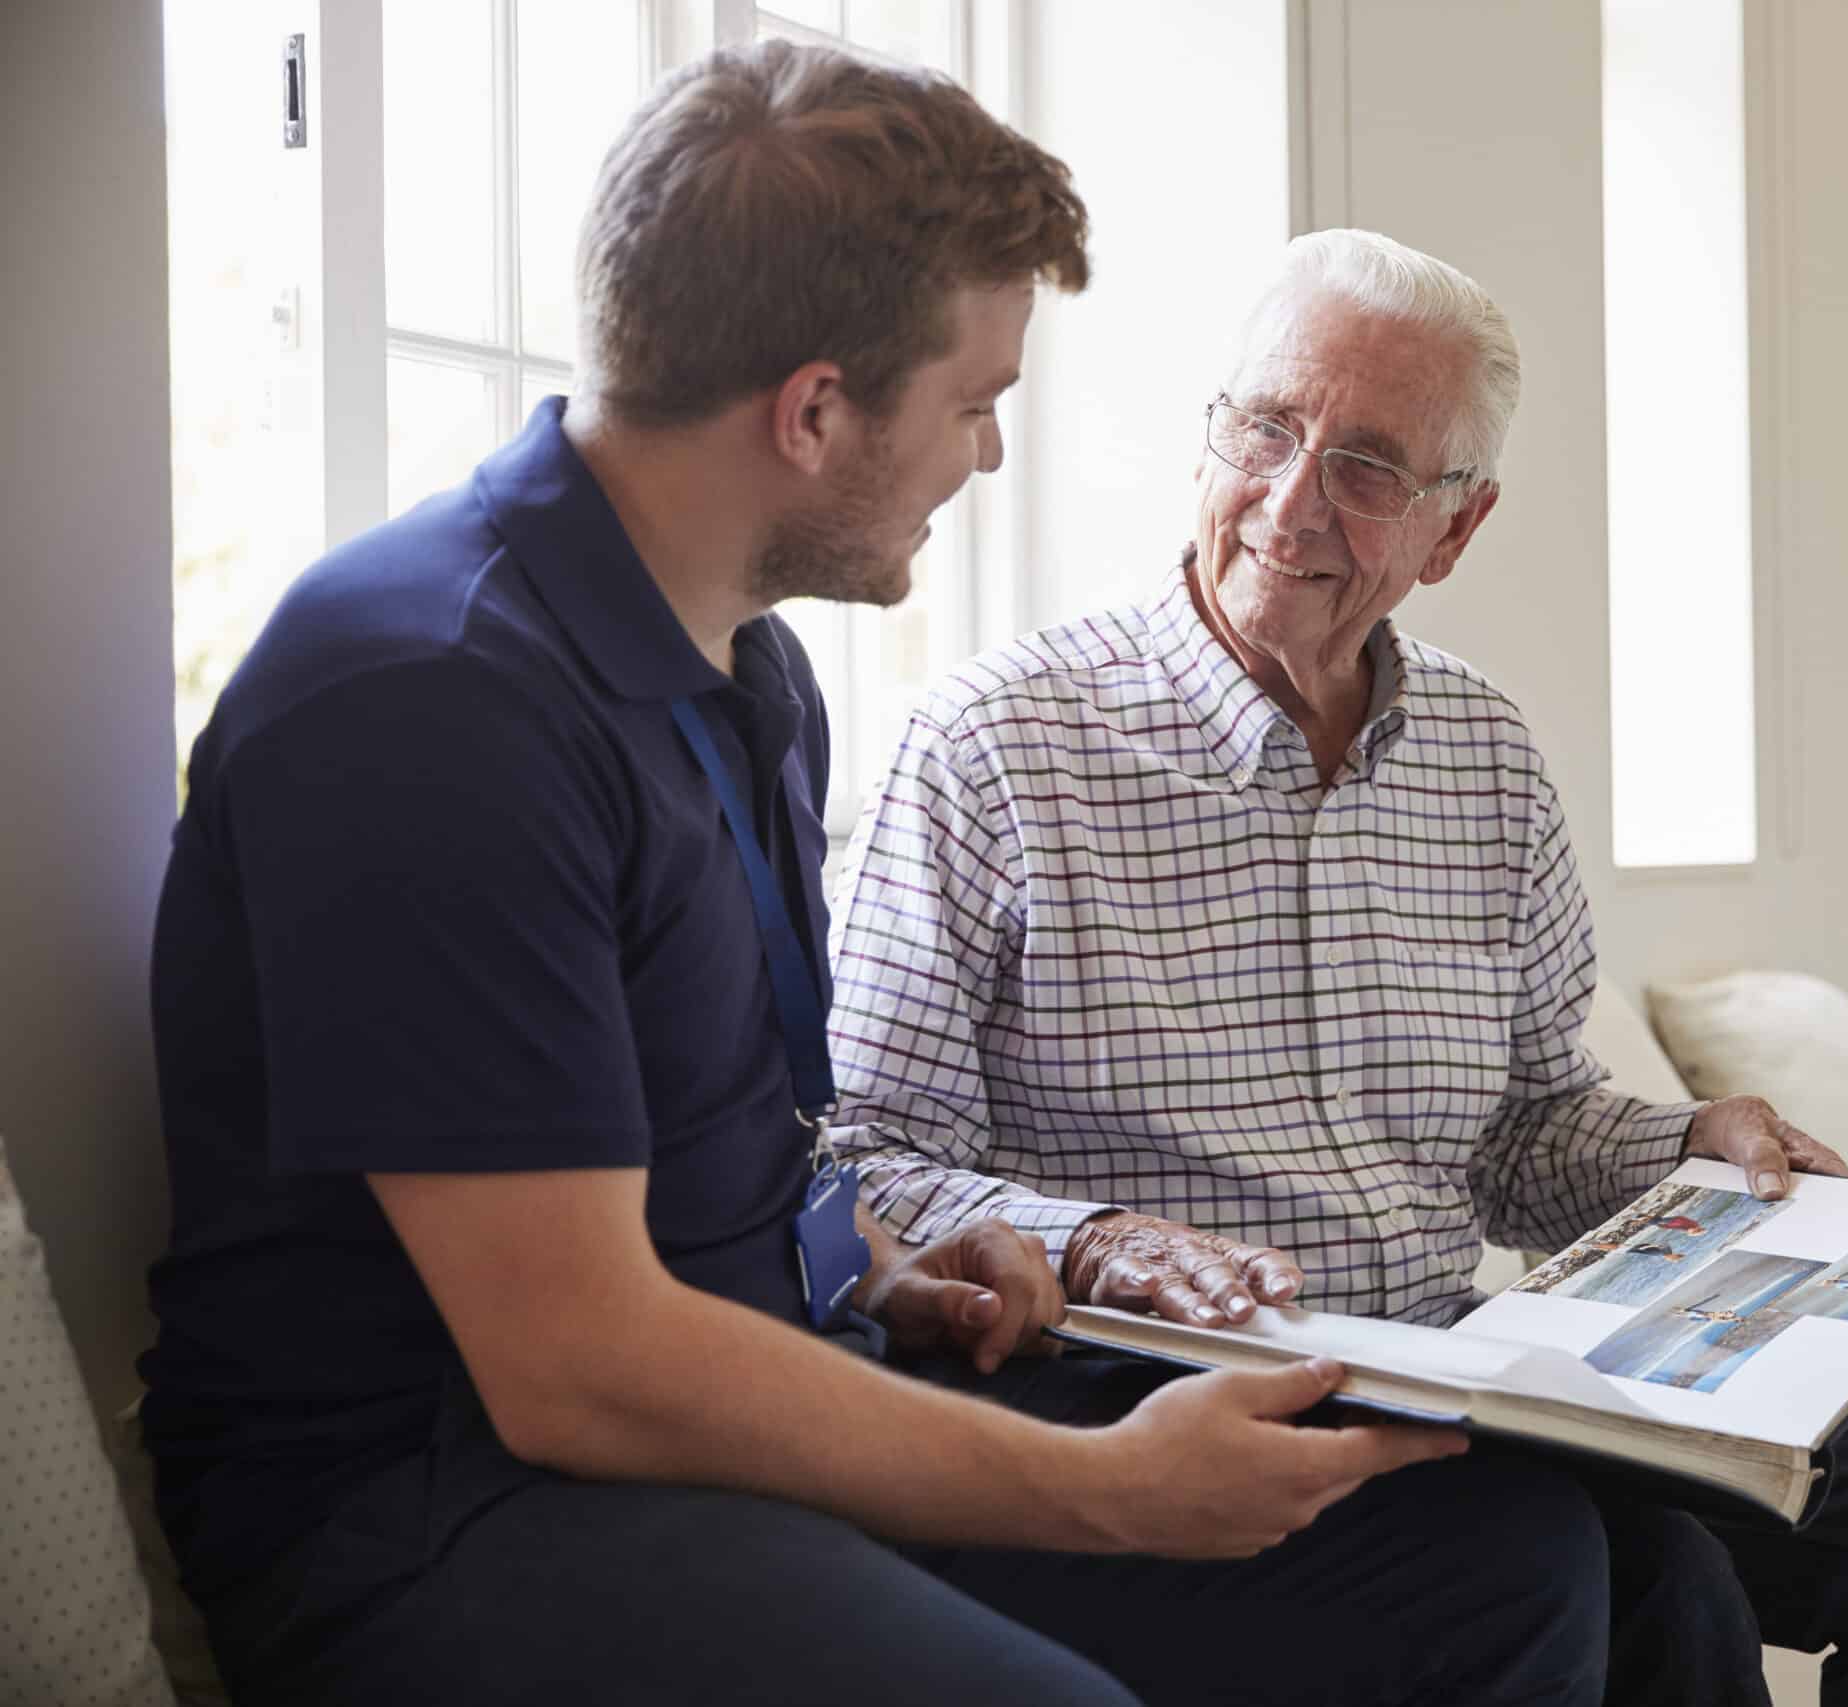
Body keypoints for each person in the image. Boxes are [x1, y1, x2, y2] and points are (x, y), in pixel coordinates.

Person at [140, 47, 1615, 1707]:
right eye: (977, 401)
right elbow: (574, 1372)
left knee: (1496, 1571)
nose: (988, 458)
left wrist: (880, 1269)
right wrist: (1109, 1494)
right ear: (818, 410)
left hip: (741, 1394)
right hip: (439, 1501)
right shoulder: (426, 696)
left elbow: (757, 1147)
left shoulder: (748, 678)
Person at [824, 227, 1848, 1705]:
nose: (1292, 502)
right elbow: (865, 1158)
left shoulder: (1486, 759)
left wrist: (1694, 1143)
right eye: (1267, 430)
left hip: (1469, 1369)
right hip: (1157, 1391)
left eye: (1366, 466)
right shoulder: (994, 744)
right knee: (1651, 1572)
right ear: (1210, 435)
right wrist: (1098, 1238)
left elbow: (1528, 1135)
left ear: (1454, 532)